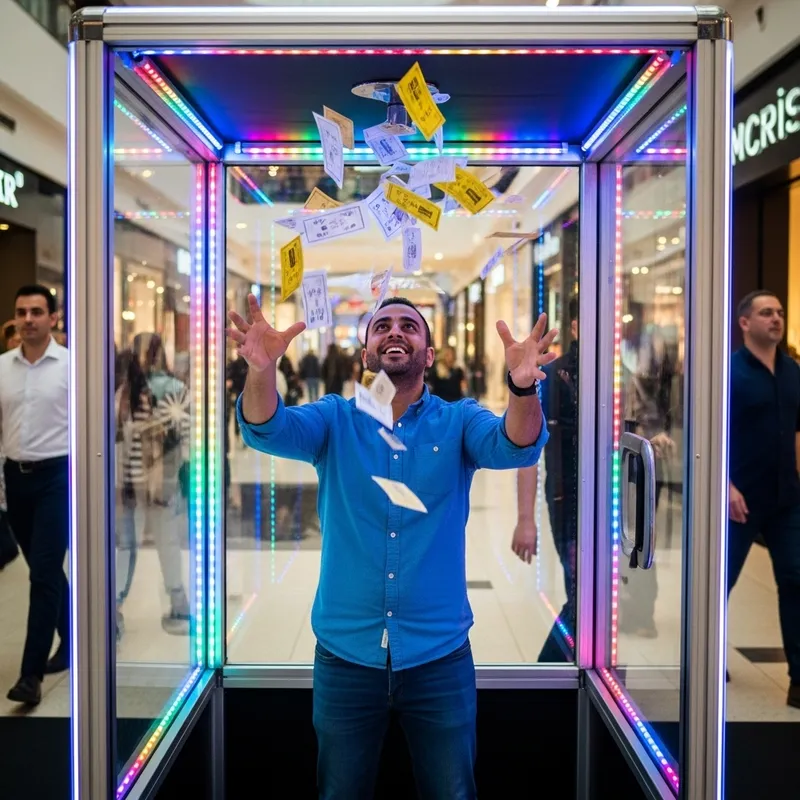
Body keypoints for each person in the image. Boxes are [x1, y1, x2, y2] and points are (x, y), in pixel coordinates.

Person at [226, 293, 556, 799]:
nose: (395, 332)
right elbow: (268, 428)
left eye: (409, 326)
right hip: (346, 655)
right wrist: (261, 372)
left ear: (427, 353)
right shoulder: (336, 419)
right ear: (366, 353)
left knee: (452, 791)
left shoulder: (459, 420)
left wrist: (521, 388)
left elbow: (515, 444)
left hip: (438, 655)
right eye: (382, 326)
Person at [729, 290, 800, 708]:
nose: (776, 319)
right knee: (720, 584)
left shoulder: (793, 372)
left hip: (786, 499)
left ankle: (798, 678)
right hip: (740, 499)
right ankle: (704, 659)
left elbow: (795, 433)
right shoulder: (729, 373)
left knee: (795, 578)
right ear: (745, 323)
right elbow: (709, 435)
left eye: (779, 313)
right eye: (766, 312)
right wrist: (726, 486)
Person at [0, 285, 69, 706]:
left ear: (53, 318)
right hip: (16, 478)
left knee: (42, 573)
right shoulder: (2, 367)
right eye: (22, 312)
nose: (28, 319)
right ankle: (76, 633)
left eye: (37, 312)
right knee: (45, 569)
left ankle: (30, 675)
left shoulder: (70, 366)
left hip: (57, 477)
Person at [512, 296, 579, 662]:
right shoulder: (554, 375)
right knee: (583, 594)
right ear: (574, 327)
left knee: (594, 597)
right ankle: (548, 673)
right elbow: (527, 448)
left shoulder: (619, 375)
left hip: (611, 504)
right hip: (566, 501)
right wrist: (525, 519)